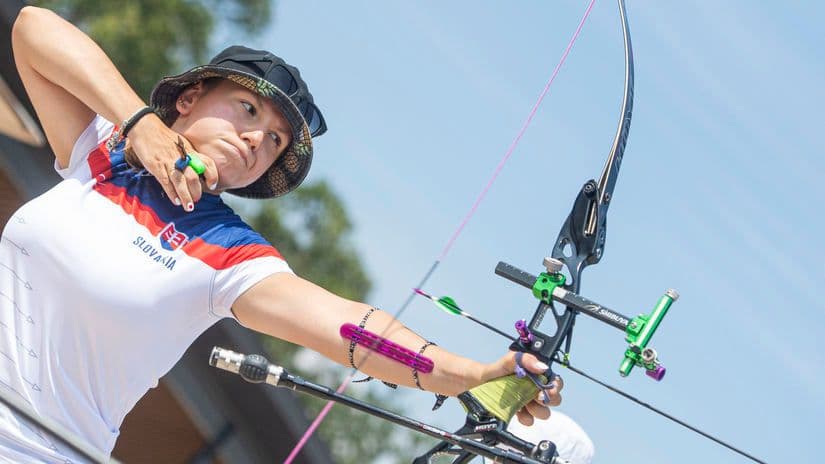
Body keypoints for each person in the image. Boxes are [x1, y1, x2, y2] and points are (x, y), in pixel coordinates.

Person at [1, 6, 563, 463]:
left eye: (273, 140)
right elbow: (32, 29)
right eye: (247, 109)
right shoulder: (103, 154)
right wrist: (139, 122)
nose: (256, 141)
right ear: (190, 98)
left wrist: (470, 375)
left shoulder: (233, 255)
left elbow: (353, 328)